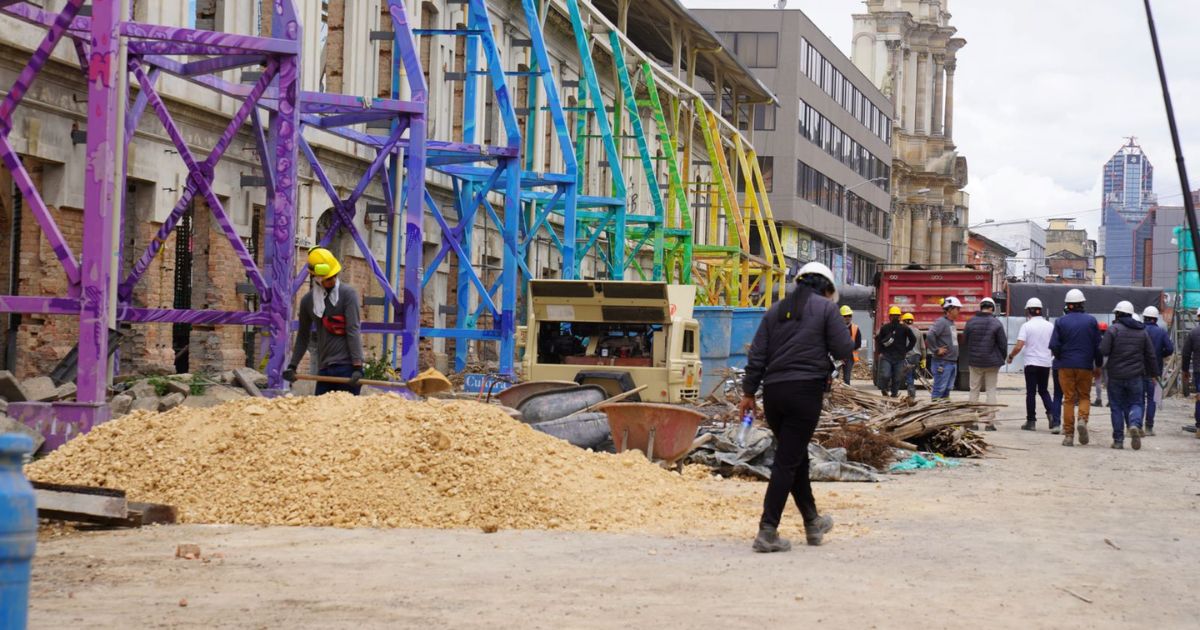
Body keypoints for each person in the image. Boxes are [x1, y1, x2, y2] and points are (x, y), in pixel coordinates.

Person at [740, 262, 853, 552]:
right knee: (787, 461)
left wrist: (748, 394)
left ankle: (813, 524)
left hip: (774, 393)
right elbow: (843, 350)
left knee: (795, 456)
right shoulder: (827, 309)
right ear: (826, 288)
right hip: (805, 391)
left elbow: (757, 355)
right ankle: (767, 531)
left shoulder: (774, 311)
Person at [284, 248, 365, 396]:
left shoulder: (348, 295)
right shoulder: (308, 301)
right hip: (325, 369)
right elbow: (303, 336)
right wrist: (292, 366)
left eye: (334, 276)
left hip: (347, 368)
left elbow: (353, 330)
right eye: (328, 278)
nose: (332, 280)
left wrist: (357, 367)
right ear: (316, 278)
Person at [1099, 301, 1157, 450]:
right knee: (1136, 403)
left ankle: (1118, 440)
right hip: (1136, 375)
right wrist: (1154, 374)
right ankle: (1134, 423)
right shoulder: (1142, 331)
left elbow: (1103, 350)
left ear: (1118, 314)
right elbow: (1150, 355)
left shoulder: (1113, 330)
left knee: (1116, 407)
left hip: (1116, 376)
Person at [1048, 288, 1102, 447]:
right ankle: (1082, 419)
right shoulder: (1091, 321)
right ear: (1082, 304)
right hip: (1085, 365)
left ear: (1067, 304)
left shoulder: (1060, 321)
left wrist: (1060, 357)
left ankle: (1069, 435)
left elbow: (1054, 345)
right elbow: (1098, 346)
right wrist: (1097, 365)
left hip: (1065, 365)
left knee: (1069, 399)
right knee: (1084, 396)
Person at [1007, 297, 1057, 432]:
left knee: (1031, 392)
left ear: (1028, 310)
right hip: (1045, 364)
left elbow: (1019, 346)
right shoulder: (1050, 326)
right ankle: (1052, 416)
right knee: (1043, 390)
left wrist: (1011, 356)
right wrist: (1048, 356)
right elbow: (1054, 346)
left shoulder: (1026, 326)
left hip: (1031, 364)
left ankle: (1031, 421)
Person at [964, 297, 1006, 429]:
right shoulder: (997, 323)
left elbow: (965, 341)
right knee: (991, 391)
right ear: (992, 308)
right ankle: (989, 422)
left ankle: (972, 422)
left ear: (980, 307)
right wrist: (1001, 358)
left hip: (975, 362)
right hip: (992, 363)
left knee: (974, 390)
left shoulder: (970, 322)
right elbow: (1003, 345)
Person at [1140, 306, 1173, 436]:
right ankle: (1149, 427)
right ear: (1155, 319)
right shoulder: (1161, 332)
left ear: (1144, 317)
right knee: (1152, 400)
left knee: (1139, 400)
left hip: (1139, 371)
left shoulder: (1139, 330)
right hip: (1155, 372)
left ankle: (1137, 425)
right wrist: (1160, 354)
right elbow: (1170, 349)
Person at [875, 306, 916, 398]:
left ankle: (894, 395)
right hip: (887, 357)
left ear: (899, 317)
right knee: (885, 375)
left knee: (897, 378)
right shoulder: (885, 328)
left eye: (897, 316)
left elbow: (913, 339)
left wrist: (906, 349)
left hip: (899, 358)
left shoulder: (904, 328)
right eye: (893, 316)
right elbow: (878, 340)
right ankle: (884, 389)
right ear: (890, 317)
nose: (895, 317)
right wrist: (880, 352)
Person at [926, 297, 962, 400]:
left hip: (951, 362)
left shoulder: (951, 323)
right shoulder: (941, 322)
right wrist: (936, 350)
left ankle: (944, 411)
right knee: (939, 389)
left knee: (947, 389)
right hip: (943, 362)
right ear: (950, 309)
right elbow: (930, 335)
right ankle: (935, 411)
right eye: (957, 309)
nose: (959, 311)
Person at [1179, 307, 1200, 440]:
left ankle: (1199, 427)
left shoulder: (1193, 333)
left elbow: (1186, 354)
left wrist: (1185, 370)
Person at [902, 312, 925, 399]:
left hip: (908, 357)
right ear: (912, 321)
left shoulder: (903, 332)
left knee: (909, 376)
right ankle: (912, 391)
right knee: (913, 372)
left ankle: (911, 395)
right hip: (917, 357)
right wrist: (924, 359)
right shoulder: (918, 332)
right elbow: (923, 347)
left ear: (904, 321)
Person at [839, 305, 862, 384]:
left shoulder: (855, 328)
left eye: (849, 315)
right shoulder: (835, 327)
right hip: (837, 356)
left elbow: (858, 343)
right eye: (845, 316)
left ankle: (845, 394)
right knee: (834, 377)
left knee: (847, 378)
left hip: (849, 356)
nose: (848, 317)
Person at [1092, 322, 1109, 407]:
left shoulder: (1096, 338)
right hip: (1107, 359)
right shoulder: (1108, 337)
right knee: (1107, 381)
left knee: (1098, 380)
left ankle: (1099, 400)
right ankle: (1110, 400)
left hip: (1097, 360)